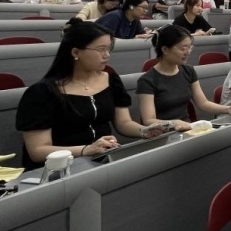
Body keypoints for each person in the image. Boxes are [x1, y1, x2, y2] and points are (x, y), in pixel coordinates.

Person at [15, 21, 167, 170]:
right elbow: (37, 151)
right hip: (59, 170)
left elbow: (123, 123)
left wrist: (144, 131)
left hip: (101, 162)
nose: (107, 55)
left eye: (109, 49)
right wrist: (85, 150)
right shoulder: (42, 92)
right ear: (76, 52)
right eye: (101, 49)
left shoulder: (110, 79)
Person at [137, 25, 231, 129]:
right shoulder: (147, 80)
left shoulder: (188, 71)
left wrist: (228, 109)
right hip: (163, 132)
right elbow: (148, 120)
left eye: (189, 47)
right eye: (183, 48)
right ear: (165, 49)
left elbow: (203, 103)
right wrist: (173, 123)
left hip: (187, 129)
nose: (187, 52)